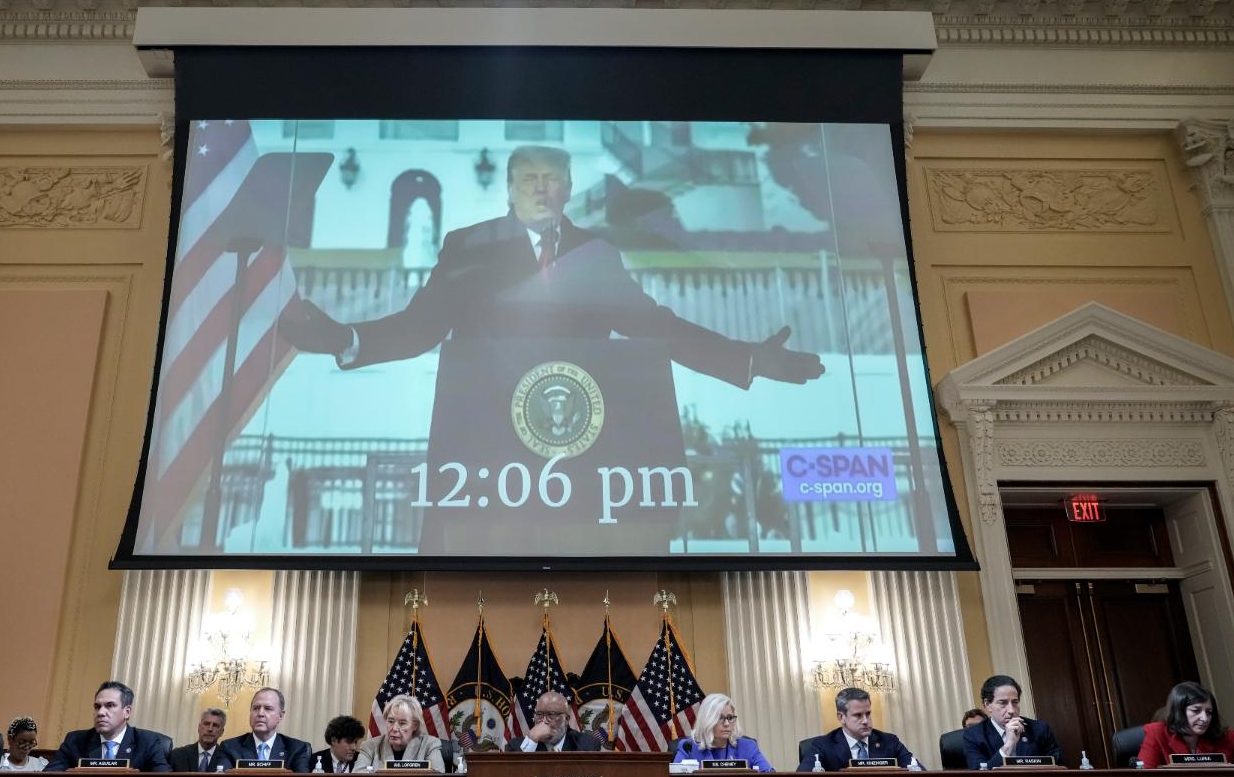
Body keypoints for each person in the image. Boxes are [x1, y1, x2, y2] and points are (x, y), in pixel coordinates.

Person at [278, 145, 826, 553]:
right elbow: (419, 327)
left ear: (566, 190)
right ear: (510, 190)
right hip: (484, 464)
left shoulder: (597, 254)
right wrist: (347, 340)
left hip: (579, 467)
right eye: (529, 179)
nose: (542, 189)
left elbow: (654, 326)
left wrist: (746, 358)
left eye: (553, 180)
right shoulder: (470, 246)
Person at [1137, 681, 1234, 769]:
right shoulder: (1157, 733)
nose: (1205, 718)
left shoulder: (1226, 738)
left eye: (1209, 712)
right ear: (1179, 711)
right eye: (1196, 710)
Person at [44, 681, 172, 772]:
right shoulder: (75, 740)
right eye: (97, 706)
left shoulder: (147, 741)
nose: (100, 712)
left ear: (127, 711)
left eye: (110, 705)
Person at [797, 687, 912, 771]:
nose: (865, 721)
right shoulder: (823, 745)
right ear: (841, 717)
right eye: (858, 715)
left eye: (868, 714)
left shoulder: (889, 741)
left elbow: (918, 772)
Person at [963, 674, 1062, 769]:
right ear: (987, 704)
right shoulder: (973, 735)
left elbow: (1058, 767)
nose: (1011, 710)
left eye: (1015, 702)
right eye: (1003, 703)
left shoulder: (1039, 729)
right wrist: (1009, 744)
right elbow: (980, 775)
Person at [218, 687, 313, 772]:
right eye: (256, 708)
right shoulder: (230, 747)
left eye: (268, 708)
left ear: (281, 715)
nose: (260, 713)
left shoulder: (297, 749)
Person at [672, 693, 774, 771]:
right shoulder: (689, 747)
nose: (726, 723)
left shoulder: (748, 747)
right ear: (707, 720)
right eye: (720, 718)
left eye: (730, 718)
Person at [355, 694, 446, 771]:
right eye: (390, 721)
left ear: (415, 725)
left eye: (402, 723)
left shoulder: (429, 745)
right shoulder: (370, 746)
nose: (394, 728)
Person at [506, 691, 600, 753]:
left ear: (566, 719)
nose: (544, 721)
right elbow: (514, 774)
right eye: (539, 714)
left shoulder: (587, 745)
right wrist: (532, 739)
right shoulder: (515, 747)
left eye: (552, 714)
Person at [169, 707, 228, 772]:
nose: (210, 729)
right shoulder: (178, 755)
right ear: (199, 728)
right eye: (206, 724)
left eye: (215, 725)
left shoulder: (227, 758)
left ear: (222, 732)